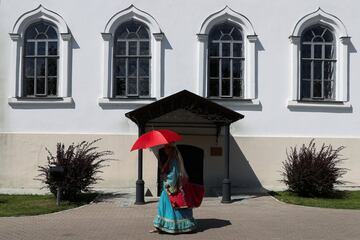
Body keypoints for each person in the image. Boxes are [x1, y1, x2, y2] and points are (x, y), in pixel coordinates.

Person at [150, 144, 197, 234]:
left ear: (171, 149)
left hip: (172, 188)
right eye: (164, 148)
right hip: (171, 187)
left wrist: (166, 179)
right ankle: (161, 226)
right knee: (164, 207)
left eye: (166, 148)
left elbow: (173, 175)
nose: (165, 150)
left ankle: (170, 226)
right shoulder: (171, 159)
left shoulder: (174, 161)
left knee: (171, 207)